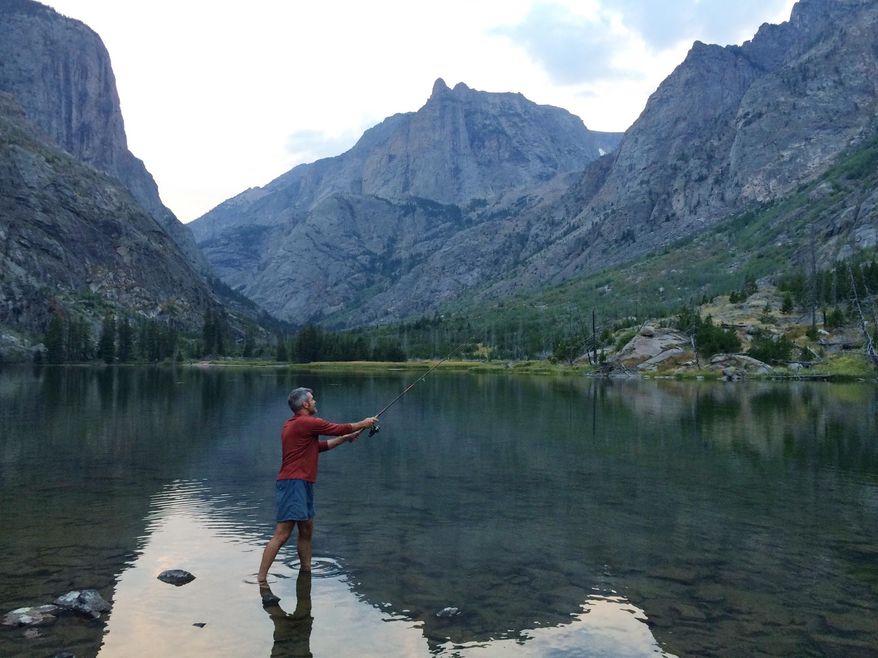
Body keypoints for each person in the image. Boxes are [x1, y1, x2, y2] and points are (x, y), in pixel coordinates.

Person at [257, 387, 376, 586]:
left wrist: (345, 439)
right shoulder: (306, 423)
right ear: (305, 404)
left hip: (301, 483)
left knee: (306, 530)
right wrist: (364, 423)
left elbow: (319, 447)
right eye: (312, 399)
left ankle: (306, 571)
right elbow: (337, 428)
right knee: (283, 532)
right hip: (293, 483)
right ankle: (261, 579)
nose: (315, 402)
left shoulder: (296, 425)